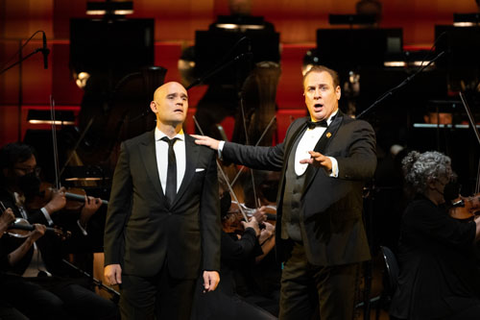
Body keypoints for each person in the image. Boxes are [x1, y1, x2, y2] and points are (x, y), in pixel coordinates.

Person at [193, 65, 377, 319]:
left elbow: (366, 165)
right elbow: (267, 156)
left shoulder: (355, 129)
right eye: (311, 89)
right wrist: (221, 146)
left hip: (334, 249)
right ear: (304, 96)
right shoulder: (297, 129)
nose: (317, 95)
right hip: (295, 252)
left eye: (323, 88)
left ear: (337, 93)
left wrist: (332, 163)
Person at [103, 81, 221, 319]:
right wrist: (111, 258)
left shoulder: (203, 151)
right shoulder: (133, 148)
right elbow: (118, 208)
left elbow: (209, 214)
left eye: (184, 98)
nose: (180, 101)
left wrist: (212, 264)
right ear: (154, 106)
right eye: (172, 97)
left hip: (184, 262)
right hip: (138, 260)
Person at [0, 142, 118, 320]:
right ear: (7, 171)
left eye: (34, 170)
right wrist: (49, 208)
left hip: (50, 277)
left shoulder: (33, 199)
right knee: (54, 306)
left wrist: (83, 219)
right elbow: (17, 233)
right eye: (24, 170)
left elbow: (64, 245)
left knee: (105, 307)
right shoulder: (3, 202)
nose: (31, 176)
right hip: (18, 278)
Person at [389, 151, 480, 320]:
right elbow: (464, 235)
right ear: (432, 182)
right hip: (423, 302)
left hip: (438, 292)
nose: (451, 183)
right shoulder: (419, 210)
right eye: (447, 178)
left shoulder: (434, 208)